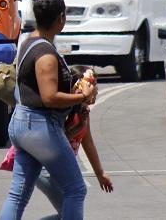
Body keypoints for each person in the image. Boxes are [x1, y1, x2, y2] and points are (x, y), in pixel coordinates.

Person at [0, 0, 96, 220]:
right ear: (61, 18)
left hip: (23, 124)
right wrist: (83, 96)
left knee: (18, 195)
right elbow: (49, 98)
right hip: (39, 127)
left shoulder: (29, 42)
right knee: (76, 189)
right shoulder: (46, 54)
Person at [35, 67, 113, 218]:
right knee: (71, 213)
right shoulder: (63, 110)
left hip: (61, 167)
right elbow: (57, 141)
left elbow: (88, 141)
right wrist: (79, 127)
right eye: (91, 87)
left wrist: (100, 173)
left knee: (70, 214)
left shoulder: (82, 110)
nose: (94, 93)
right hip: (47, 169)